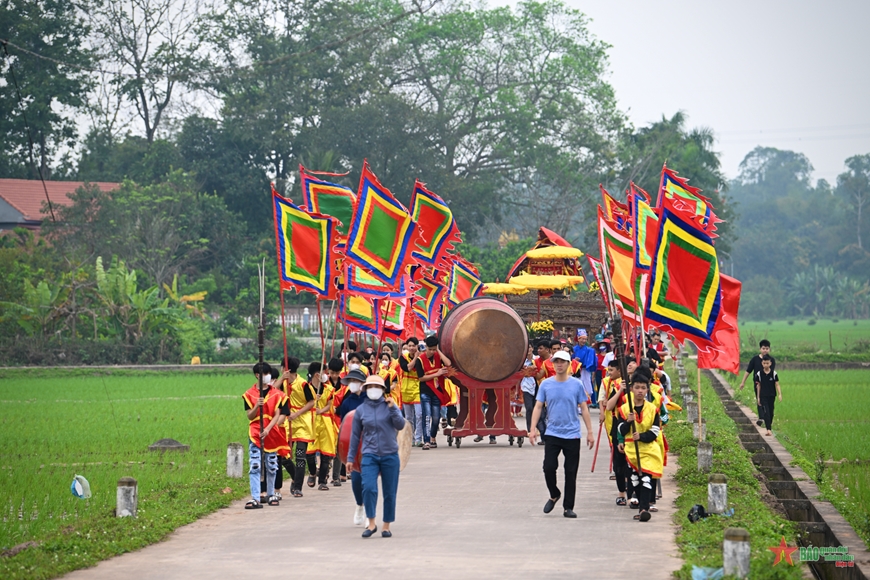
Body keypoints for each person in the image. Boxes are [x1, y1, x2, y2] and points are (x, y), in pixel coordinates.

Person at [528, 350, 594, 519]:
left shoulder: (577, 384)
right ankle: (554, 493)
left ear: (569, 364)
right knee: (548, 467)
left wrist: (590, 432)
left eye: (562, 361)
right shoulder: (546, 384)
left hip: (572, 434)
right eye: (556, 361)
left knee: (570, 472)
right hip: (552, 432)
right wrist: (532, 429)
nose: (559, 364)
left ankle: (568, 507)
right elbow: (538, 406)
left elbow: (584, 408)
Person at [347, 374, 406, 538]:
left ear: (383, 390)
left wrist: (394, 408)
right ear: (366, 389)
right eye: (371, 387)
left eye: (378, 387)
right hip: (370, 454)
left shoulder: (390, 406)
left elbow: (400, 425)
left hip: (390, 455)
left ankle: (386, 526)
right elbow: (355, 435)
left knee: (390, 491)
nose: (374, 390)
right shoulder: (361, 410)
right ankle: (371, 523)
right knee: (368, 488)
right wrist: (350, 458)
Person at [243, 362, 290, 509]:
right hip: (255, 432)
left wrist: (269, 428)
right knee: (255, 464)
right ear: (257, 375)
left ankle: (270, 494)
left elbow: (278, 413)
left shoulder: (277, 394)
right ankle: (255, 497)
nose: (267, 376)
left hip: (271, 432)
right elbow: (250, 416)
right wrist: (257, 405)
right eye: (264, 374)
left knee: (271, 465)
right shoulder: (249, 394)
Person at [616, 373, 663, 522]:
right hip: (631, 450)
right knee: (635, 479)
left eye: (643, 388)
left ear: (647, 390)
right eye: (637, 387)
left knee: (646, 479)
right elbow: (620, 430)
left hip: (648, 449)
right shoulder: (624, 409)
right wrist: (628, 422)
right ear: (631, 389)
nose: (640, 391)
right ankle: (641, 505)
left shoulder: (653, 409)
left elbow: (655, 431)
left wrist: (642, 436)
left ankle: (644, 508)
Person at [278, 357, 317, 497]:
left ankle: (298, 487)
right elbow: (272, 392)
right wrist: (282, 378)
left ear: (285, 367)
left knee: (300, 456)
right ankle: (295, 476)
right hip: (287, 423)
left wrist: (297, 413)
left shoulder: (303, 384)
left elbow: (311, 402)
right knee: (283, 455)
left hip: (302, 422)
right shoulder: (283, 383)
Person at [336, 368, 367, 525]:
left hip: (370, 443)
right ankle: (359, 505)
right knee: (356, 479)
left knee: (369, 480)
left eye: (355, 381)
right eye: (350, 382)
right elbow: (343, 425)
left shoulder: (371, 399)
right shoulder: (346, 403)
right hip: (354, 444)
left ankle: (370, 512)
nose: (352, 384)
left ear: (362, 383)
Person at [415, 335, 452, 450]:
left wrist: (439, 351)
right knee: (427, 416)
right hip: (425, 391)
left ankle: (432, 437)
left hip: (437, 391)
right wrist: (437, 374)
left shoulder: (437, 355)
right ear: (425, 347)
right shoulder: (420, 360)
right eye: (430, 349)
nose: (432, 351)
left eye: (434, 349)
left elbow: (448, 363)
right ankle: (426, 441)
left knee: (436, 417)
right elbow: (421, 378)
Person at [308, 361, 339, 491]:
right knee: (309, 452)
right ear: (317, 374)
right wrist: (315, 401)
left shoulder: (329, 389)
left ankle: (322, 481)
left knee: (326, 453)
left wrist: (322, 410)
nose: (326, 375)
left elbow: (329, 404)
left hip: (325, 421)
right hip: (311, 422)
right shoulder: (306, 388)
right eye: (324, 372)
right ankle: (313, 471)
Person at [739, 339, 776, 426]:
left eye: (767, 348)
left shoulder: (772, 360)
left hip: (769, 385)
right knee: (759, 400)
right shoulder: (755, 359)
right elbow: (748, 371)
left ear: (769, 349)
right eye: (763, 348)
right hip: (758, 384)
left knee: (770, 403)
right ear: (760, 349)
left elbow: (772, 373)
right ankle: (761, 417)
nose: (765, 350)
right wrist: (743, 382)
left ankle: (768, 419)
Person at [398, 338, 424, 446]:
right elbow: (407, 368)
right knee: (408, 418)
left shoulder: (422, 358)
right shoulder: (403, 358)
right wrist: (416, 358)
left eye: (414, 345)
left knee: (419, 415)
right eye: (410, 346)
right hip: (406, 389)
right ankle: (411, 438)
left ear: (417, 346)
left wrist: (419, 357)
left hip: (418, 389)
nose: (412, 348)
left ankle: (418, 438)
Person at [754, 355, 782, 436]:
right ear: (762, 364)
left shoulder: (774, 373)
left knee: (771, 412)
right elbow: (758, 386)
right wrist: (758, 397)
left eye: (767, 363)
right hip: (763, 395)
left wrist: (780, 394)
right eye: (764, 363)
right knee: (766, 412)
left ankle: (769, 426)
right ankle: (768, 429)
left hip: (772, 395)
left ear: (770, 363)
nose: (766, 365)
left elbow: (777, 384)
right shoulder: (759, 374)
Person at [572, 329, 598, 407]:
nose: (584, 341)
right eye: (582, 339)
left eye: (585, 339)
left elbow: (592, 362)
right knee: (577, 386)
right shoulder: (574, 349)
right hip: (576, 371)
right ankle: (578, 405)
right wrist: (574, 361)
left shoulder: (589, 350)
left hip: (585, 370)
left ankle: (586, 403)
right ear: (578, 338)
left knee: (588, 388)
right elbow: (569, 360)